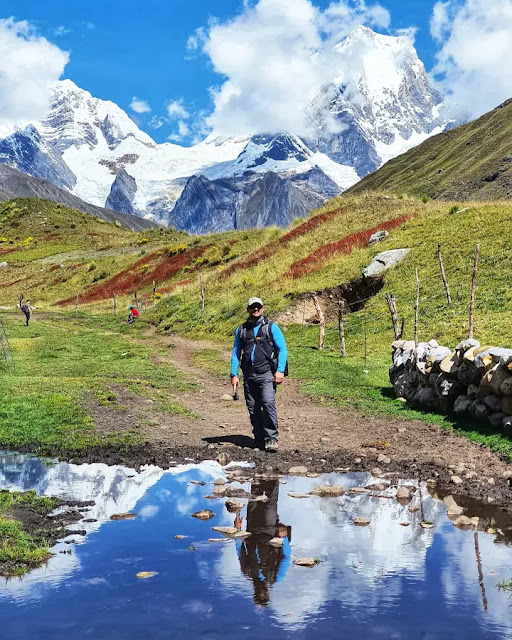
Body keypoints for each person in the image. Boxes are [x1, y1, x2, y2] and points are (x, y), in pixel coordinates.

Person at [230, 297, 288, 452]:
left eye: (258, 307)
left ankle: (271, 439)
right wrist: (233, 374)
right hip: (249, 374)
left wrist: (280, 370)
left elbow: (282, 349)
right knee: (253, 407)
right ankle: (259, 438)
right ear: (248, 309)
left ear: (263, 308)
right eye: (253, 307)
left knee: (268, 402)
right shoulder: (241, 330)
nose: (256, 310)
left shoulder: (271, 327)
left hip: (267, 373)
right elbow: (236, 352)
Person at [236, 479, 291, 605]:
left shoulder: (247, 572)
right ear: (268, 594)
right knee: (269, 501)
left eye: (258, 596)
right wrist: (284, 538)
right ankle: (273, 473)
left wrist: (238, 529)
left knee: (254, 495)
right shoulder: (276, 576)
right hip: (269, 529)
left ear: (254, 593)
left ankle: (259, 471)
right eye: (264, 596)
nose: (262, 593)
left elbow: (240, 549)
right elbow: (286, 558)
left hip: (251, 529)